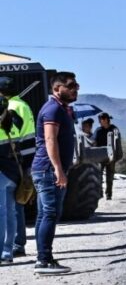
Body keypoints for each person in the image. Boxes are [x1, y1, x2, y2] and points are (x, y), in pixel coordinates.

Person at [30, 71, 80, 274]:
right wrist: (59, 170)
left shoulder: (61, 109)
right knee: (50, 213)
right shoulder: (53, 110)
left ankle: (44, 258)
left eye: (76, 85)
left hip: (46, 169)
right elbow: (50, 140)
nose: (75, 89)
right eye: (70, 85)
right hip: (48, 170)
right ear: (57, 88)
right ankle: (43, 261)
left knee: (45, 214)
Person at [0, 77, 35, 259]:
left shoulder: (11, 108)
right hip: (19, 163)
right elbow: (26, 136)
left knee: (8, 209)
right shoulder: (23, 106)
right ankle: (14, 245)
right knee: (15, 207)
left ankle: (12, 246)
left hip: (8, 164)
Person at [94, 112, 122, 200]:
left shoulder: (114, 129)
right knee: (98, 176)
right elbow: (93, 141)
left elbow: (117, 143)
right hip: (100, 156)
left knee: (109, 177)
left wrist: (116, 156)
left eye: (101, 120)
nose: (100, 122)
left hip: (111, 157)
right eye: (99, 120)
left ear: (106, 119)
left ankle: (108, 194)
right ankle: (100, 192)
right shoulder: (98, 130)